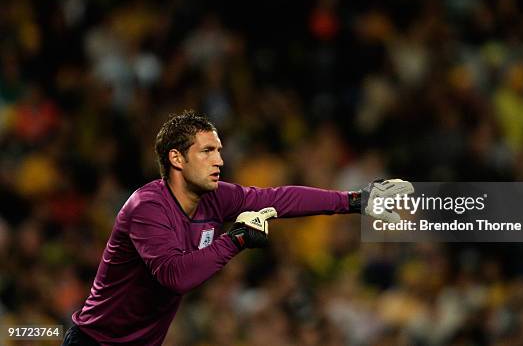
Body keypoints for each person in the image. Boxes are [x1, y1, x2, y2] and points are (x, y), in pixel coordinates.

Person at [63, 110, 412, 345]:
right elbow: (175, 275)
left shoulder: (216, 197)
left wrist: (355, 201)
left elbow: (280, 199)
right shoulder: (147, 207)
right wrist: (237, 239)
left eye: (219, 150)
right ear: (176, 158)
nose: (220, 160)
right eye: (207, 152)